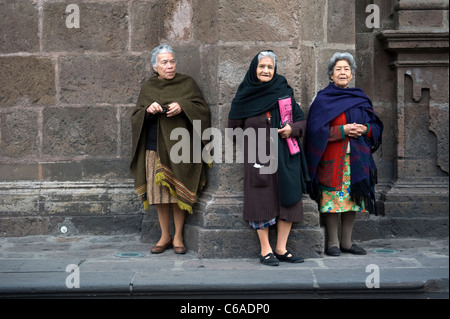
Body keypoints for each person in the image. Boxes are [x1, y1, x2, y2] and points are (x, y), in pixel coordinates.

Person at [228, 50, 310, 266]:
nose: (265, 70)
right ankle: (266, 250)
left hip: (285, 155)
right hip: (258, 157)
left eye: (269, 67)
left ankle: (281, 248)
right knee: (260, 199)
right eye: (261, 66)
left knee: (289, 197)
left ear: (275, 70)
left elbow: (302, 122)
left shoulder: (283, 92)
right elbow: (233, 130)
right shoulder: (244, 95)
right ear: (254, 69)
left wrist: (291, 128)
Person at [130, 44, 211, 255]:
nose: (169, 66)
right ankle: (164, 235)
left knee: (176, 193)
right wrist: (148, 110)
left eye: (172, 61)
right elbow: (136, 115)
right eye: (164, 62)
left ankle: (178, 237)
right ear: (155, 66)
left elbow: (202, 110)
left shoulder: (187, 84)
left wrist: (184, 106)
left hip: (180, 147)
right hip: (154, 147)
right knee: (159, 195)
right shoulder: (149, 87)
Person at [305, 52, 383, 256]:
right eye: (338, 69)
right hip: (333, 158)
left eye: (346, 69)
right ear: (331, 75)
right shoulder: (323, 100)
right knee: (332, 200)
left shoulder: (360, 98)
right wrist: (343, 131)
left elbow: (376, 125)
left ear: (351, 74)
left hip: (357, 159)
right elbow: (314, 132)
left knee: (352, 199)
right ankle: (332, 243)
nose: (342, 72)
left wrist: (365, 130)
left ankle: (347, 242)